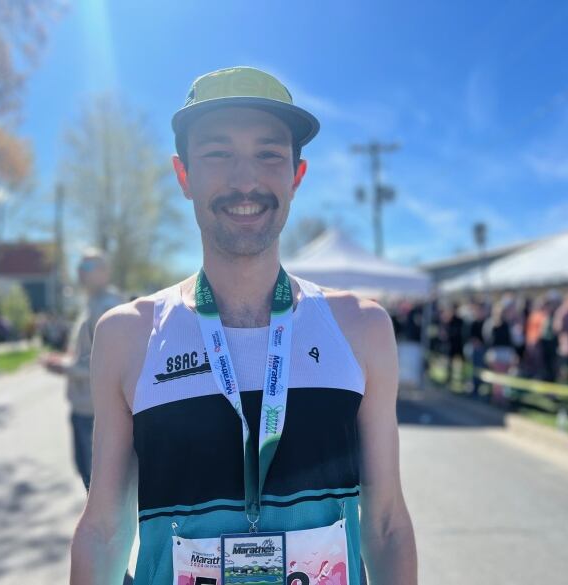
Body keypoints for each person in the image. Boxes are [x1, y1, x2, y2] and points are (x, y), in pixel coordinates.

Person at [70, 67, 417, 585]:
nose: (245, 180)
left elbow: (386, 525)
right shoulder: (127, 335)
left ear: (297, 176)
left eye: (269, 154)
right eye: (217, 153)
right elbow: (103, 530)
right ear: (184, 175)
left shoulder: (362, 328)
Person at [44, 250, 124, 492]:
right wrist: (68, 360)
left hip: (95, 411)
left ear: (105, 272)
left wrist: (66, 367)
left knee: (100, 488)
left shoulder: (107, 308)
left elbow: (110, 361)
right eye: (79, 266)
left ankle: (109, 531)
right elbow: (88, 353)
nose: (80, 272)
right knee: (91, 480)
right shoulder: (92, 305)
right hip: (86, 408)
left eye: (87, 267)